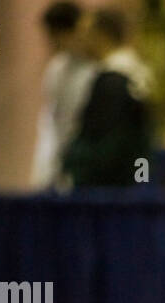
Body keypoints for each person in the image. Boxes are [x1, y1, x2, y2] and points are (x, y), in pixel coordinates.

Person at [62, 6, 154, 189]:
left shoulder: (113, 82)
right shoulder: (133, 73)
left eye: (85, 32)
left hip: (109, 193)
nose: (80, 40)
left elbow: (107, 147)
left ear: (101, 35)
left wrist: (76, 167)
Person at [30, 1, 96, 190]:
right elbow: (51, 121)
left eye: (54, 36)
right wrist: (43, 172)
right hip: (61, 169)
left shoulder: (99, 70)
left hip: (88, 170)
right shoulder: (56, 70)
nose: (51, 43)